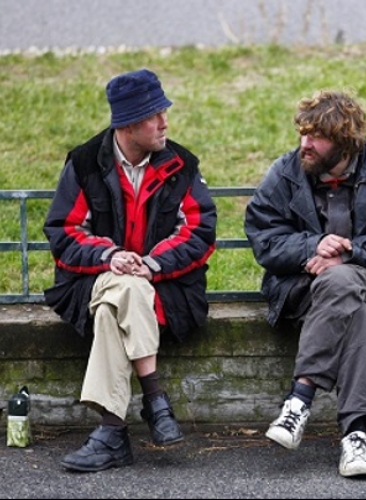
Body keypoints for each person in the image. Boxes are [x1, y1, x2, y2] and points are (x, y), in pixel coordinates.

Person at [43, 68, 217, 473]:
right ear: (128, 124)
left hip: (168, 289)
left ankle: (111, 432)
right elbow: (64, 232)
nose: (165, 122)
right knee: (122, 287)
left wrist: (150, 265)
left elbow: (200, 231)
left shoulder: (181, 164)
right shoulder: (85, 163)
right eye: (155, 114)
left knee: (114, 307)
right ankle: (154, 399)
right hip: (92, 280)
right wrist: (110, 257)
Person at [244, 90, 366, 478]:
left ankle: (299, 400)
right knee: (350, 306)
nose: (304, 144)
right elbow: (264, 238)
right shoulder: (286, 172)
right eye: (302, 134)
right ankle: (356, 435)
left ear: (344, 142)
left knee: (345, 281)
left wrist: (350, 251)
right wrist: (312, 245)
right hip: (301, 288)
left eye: (315, 137)